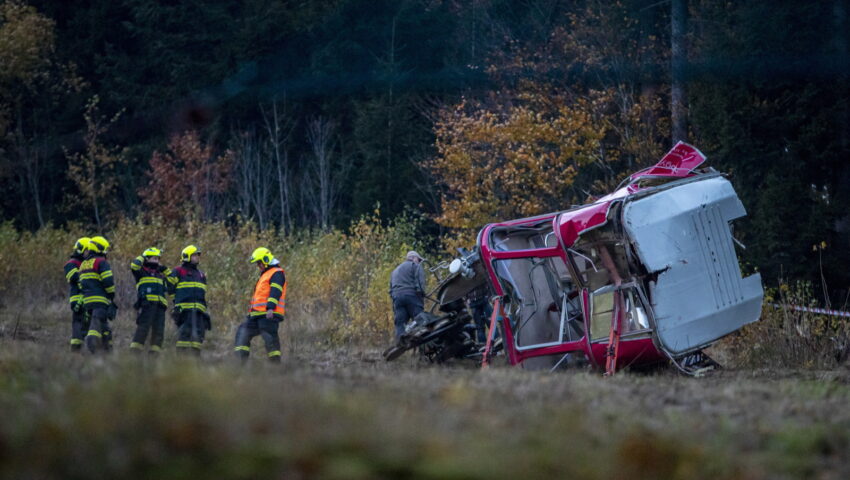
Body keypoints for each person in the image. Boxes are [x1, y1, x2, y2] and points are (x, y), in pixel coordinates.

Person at [234, 247, 287, 363]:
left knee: (270, 338)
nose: (258, 265)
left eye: (259, 262)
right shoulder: (265, 274)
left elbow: (276, 291)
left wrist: (270, 308)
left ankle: (275, 367)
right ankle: (239, 364)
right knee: (242, 332)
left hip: (268, 314)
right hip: (256, 314)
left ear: (266, 260)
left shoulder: (277, 273)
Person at [168, 245, 209, 355]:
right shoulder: (178, 271)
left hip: (199, 312)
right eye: (194, 255)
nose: (197, 258)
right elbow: (169, 286)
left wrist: (205, 311)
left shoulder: (201, 275)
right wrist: (176, 303)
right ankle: (181, 361)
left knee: (199, 337)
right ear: (187, 257)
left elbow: (203, 293)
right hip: (184, 311)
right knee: (184, 335)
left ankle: (195, 361)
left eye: (197, 255)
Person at [129, 247, 170, 354]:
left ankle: (154, 354)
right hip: (146, 305)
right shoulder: (141, 272)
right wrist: (143, 256)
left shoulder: (160, 273)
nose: (157, 261)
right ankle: (135, 352)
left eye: (158, 259)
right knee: (143, 328)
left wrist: (164, 268)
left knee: (159, 331)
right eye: (154, 258)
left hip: (160, 306)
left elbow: (173, 279)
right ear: (147, 259)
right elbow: (134, 265)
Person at [78, 236, 115, 353]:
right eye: (105, 248)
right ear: (100, 247)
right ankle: (92, 343)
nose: (106, 251)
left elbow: (80, 284)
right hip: (100, 300)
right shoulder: (101, 262)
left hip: (87, 301)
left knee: (104, 326)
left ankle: (107, 350)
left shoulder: (83, 264)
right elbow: (108, 280)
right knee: (96, 324)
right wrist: (111, 295)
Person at [389, 250, 426, 341]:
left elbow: (390, 289)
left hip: (397, 297)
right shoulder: (415, 266)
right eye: (419, 260)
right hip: (411, 295)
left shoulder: (395, 270)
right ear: (414, 258)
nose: (419, 262)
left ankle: (400, 343)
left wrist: (395, 299)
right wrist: (421, 295)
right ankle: (424, 347)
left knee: (400, 323)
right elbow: (420, 284)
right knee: (420, 320)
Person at [63, 237, 90, 351]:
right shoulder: (71, 263)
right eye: (88, 251)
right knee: (78, 322)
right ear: (81, 250)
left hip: (88, 298)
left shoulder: (87, 263)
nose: (90, 253)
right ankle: (76, 349)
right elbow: (73, 277)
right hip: (77, 299)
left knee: (88, 323)